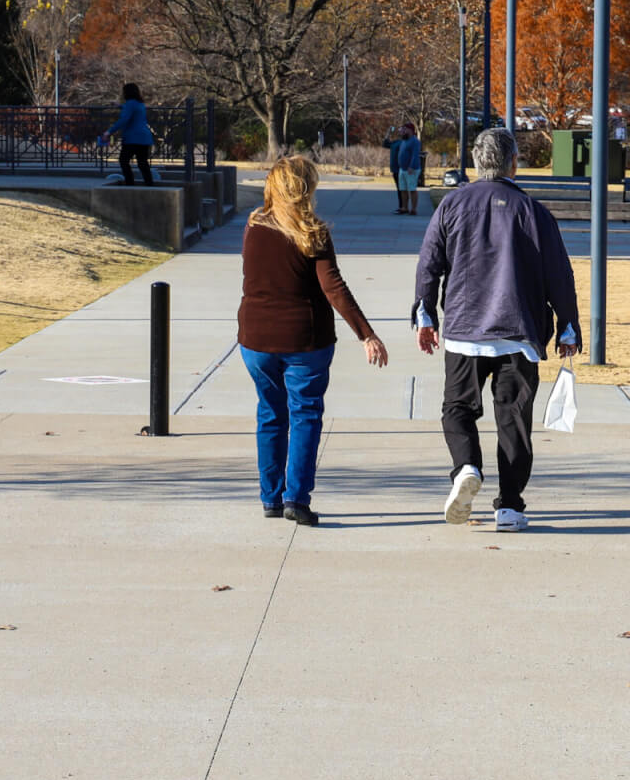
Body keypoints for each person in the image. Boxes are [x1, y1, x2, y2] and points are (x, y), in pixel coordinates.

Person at [413, 127, 580, 532]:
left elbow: (429, 263)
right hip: (519, 332)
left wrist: (425, 314)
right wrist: (567, 326)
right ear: (514, 164)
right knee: (514, 421)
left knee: (457, 409)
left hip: (465, 331)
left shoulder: (452, 205)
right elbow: (558, 272)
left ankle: (467, 466)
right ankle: (509, 506)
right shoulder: (533, 211)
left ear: (475, 162)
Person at [239, 154, 389, 525]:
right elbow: (333, 287)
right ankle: (296, 499)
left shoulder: (254, 225)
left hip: (256, 339)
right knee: (305, 415)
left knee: (270, 414)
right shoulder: (313, 232)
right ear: (308, 189)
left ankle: (271, 499)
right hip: (305, 341)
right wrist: (366, 334)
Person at [102, 82, 156, 185]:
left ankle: (130, 182)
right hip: (145, 138)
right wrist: (120, 106)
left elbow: (124, 119)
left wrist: (109, 132)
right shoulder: (140, 104)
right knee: (142, 162)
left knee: (124, 160)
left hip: (133, 138)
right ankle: (149, 183)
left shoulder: (130, 104)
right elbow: (132, 111)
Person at [390, 121, 423, 216]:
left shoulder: (415, 141)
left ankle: (413, 209)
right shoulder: (404, 141)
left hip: (411, 169)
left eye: (405, 129)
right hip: (402, 169)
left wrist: (411, 167)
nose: (403, 131)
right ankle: (404, 207)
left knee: (412, 189)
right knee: (403, 189)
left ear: (411, 130)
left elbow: (415, 155)